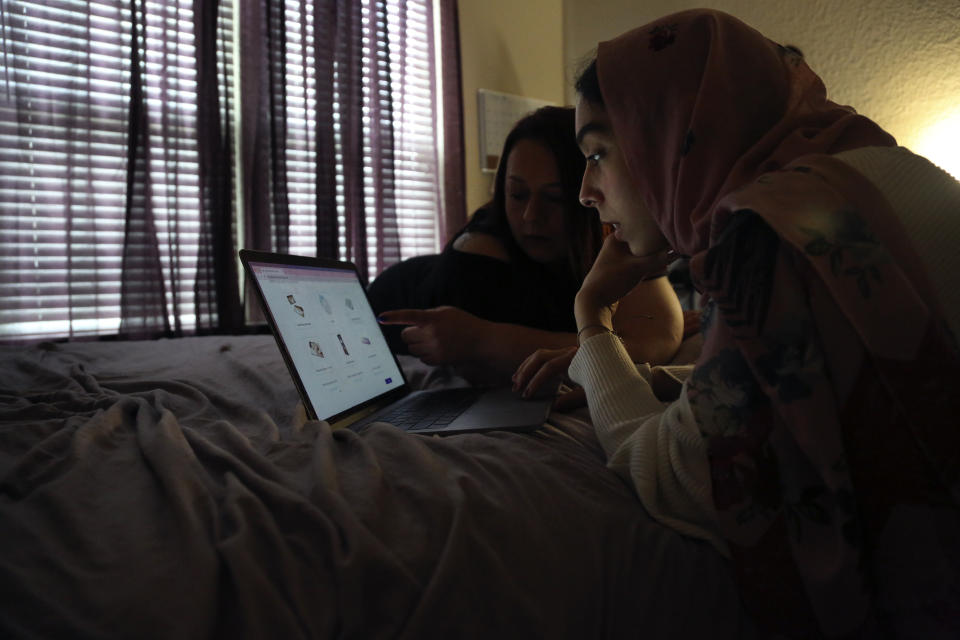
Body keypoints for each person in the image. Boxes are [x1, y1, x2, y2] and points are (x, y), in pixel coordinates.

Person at [513, 9, 960, 638]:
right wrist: (653, 376)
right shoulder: (876, 169)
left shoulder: (767, 236)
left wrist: (593, 322)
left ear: (665, 131)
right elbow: (803, 372)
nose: (587, 190)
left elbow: (675, 474)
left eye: (597, 153)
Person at [371, 106, 684, 388]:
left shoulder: (610, 228)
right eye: (517, 194)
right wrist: (484, 341)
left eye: (555, 197)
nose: (531, 216)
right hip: (385, 309)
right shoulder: (478, 257)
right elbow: (609, 351)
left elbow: (655, 335)